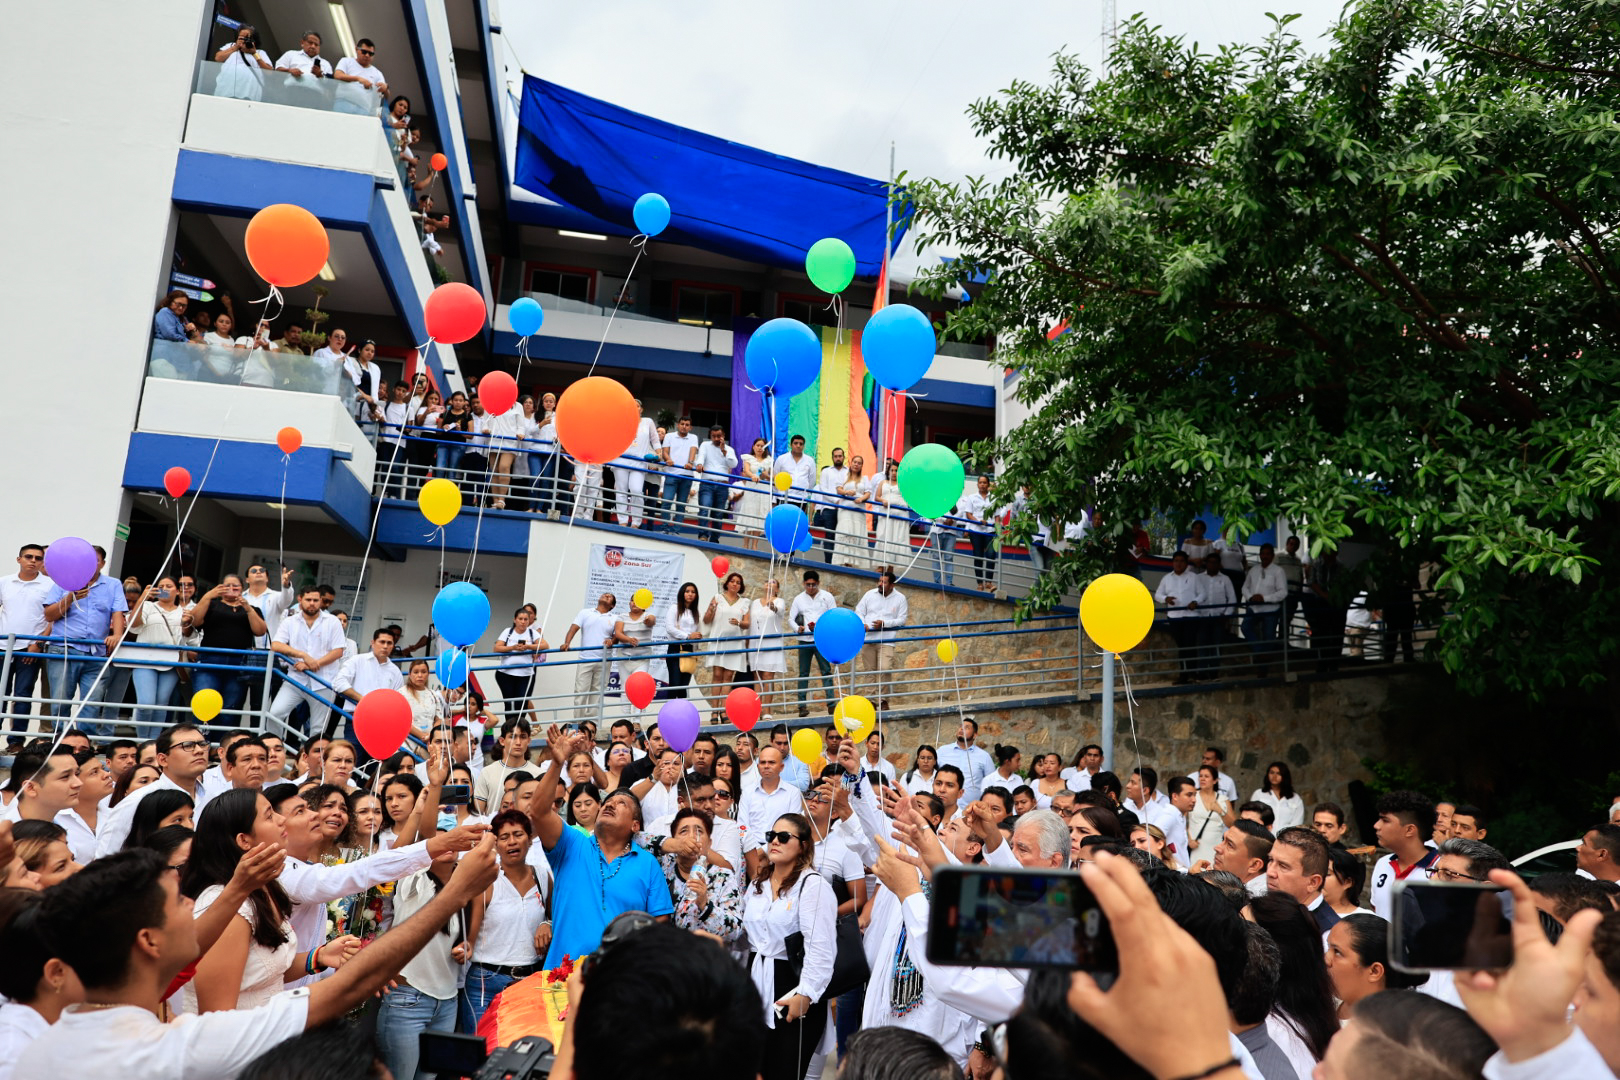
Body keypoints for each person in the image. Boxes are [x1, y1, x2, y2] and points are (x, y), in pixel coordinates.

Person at [527, 727, 673, 968]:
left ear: (635, 825)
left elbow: (660, 922)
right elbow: (539, 811)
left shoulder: (647, 863)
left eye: (622, 803)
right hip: (562, 979)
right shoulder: (572, 844)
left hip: (620, 980)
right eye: (608, 801)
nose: (611, 804)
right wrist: (557, 762)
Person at [742, 811, 836, 1080]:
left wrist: (805, 994)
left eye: (784, 837)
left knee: (783, 1070)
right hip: (755, 983)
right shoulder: (758, 884)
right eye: (771, 836)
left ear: (803, 845)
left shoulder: (812, 885)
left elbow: (821, 948)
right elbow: (744, 937)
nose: (775, 842)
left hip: (791, 985)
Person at [460, 810, 548, 1031]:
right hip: (485, 982)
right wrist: (464, 948)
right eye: (504, 837)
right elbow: (470, 937)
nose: (512, 842)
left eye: (518, 834)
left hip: (529, 981)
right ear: (495, 844)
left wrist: (548, 924)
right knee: (481, 1056)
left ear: (530, 839)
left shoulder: (543, 876)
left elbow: (554, 916)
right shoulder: (486, 879)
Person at [1369, 789, 1440, 916]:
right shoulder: (1382, 864)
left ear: (1409, 830)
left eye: (1385, 820)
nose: (1376, 825)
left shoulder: (1442, 870)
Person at [855, 569, 907, 709]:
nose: (880, 584)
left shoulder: (900, 598)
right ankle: (871, 701)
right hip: (869, 638)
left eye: (884, 582)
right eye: (879, 581)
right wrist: (862, 623)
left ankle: (883, 699)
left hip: (887, 639)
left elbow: (902, 620)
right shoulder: (869, 595)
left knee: (884, 668)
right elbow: (859, 611)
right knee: (870, 670)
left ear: (892, 585)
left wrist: (885, 624)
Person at [563, 593, 620, 720]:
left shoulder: (615, 617)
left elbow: (617, 634)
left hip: (604, 660)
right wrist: (567, 642)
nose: (606, 595)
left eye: (609, 597)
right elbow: (573, 628)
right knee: (581, 692)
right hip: (585, 658)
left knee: (598, 693)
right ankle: (578, 724)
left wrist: (612, 640)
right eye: (604, 594)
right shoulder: (585, 612)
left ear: (612, 605)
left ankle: (591, 725)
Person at [789, 570, 838, 717]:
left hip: (822, 639)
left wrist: (821, 626)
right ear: (804, 584)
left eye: (813, 585)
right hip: (804, 640)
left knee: (826, 671)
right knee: (803, 673)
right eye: (808, 585)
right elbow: (791, 619)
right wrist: (798, 628)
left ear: (818, 583)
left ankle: (831, 704)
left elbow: (833, 615)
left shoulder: (827, 597)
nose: (810, 587)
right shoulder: (798, 599)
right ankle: (802, 706)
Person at [1153, 550, 1206, 683]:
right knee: (1181, 646)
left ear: (1186, 563)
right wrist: (1166, 599)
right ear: (1173, 562)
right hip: (1175, 616)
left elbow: (1203, 594)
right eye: (1176, 561)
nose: (1179, 563)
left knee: (1190, 645)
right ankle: (1184, 675)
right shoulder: (1167, 578)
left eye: (1182, 561)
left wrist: (1195, 602)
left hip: (1191, 616)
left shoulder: (1194, 577)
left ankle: (1193, 674)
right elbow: (1157, 595)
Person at [704, 573, 751, 711]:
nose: (735, 584)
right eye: (732, 581)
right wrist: (712, 609)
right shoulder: (717, 598)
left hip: (735, 642)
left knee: (728, 676)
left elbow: (747, 624)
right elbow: (707, 620)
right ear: (727, 583)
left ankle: (724, 710)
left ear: (741, 586)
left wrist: (739, 622)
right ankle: (714, 711)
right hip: (718, 640)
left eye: (738, 582)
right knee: (717, 674)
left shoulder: (745, 602)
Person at [493, 606, 547, 721]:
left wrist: (528, 646)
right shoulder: (508, 631)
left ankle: (518, 728)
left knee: (521, 703)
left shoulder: (532, 633)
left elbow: (545, 645)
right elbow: (496, 648)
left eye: (525, 619)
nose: (523, 622)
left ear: (529, 620)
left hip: (525, 675)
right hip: (505, 673)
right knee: (509, 703)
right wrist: (512, 647)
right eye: (520, 619)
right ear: (515, 620)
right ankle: (510, 730)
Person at [1241, 543, 1288, 670]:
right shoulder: (1254, 569)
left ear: (1272, 556)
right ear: (1260, 555)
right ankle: (1260, 652)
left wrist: (1264, 598)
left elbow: (1283, 592)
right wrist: (1251, 597)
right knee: (1245, 627)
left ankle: (1263, 669)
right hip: (1254, 608)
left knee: (1269, 636)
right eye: (1263, 553)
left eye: (1268, 554)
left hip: (1270, 609)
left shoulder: (1278, 571)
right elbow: (1245, 587)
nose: (1265, 556)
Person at [745, 579, 788, 719]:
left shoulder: (779, 601)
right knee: (757, 677)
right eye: (767, 581)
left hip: (771, 642)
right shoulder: (755, 603)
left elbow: (780, 612)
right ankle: (757, 709)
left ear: (777, 588)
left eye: (773, 582)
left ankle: (767, 710)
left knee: (768, 676)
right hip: (756, 643)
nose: (769, 584)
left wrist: (773, 607)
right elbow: (751, 624)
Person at [936, 717, 994, 806]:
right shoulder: (942, 751)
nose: (961, 729)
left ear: (975, 735)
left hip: (971, 811)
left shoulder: (984, 756)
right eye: (960, 727)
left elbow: (991, 784)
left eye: (966, 728)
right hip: (942, 808)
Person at [695, 425, 739, 542]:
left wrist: (724, 451)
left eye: (718, 436)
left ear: (723, 436)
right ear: (710, 436)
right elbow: (701, 457)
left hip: (722, 485)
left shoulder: (729, 449)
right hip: (707, 483)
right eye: (713, 436)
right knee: (704, 509)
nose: (715, 438)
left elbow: (733, 464)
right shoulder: (705, 445)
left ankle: (714, 539)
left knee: (718, 514)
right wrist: (699, 464)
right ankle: (703, 536)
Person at [662, 582, 704, 699]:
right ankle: (669, 715)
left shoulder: (696, 612)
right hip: (675, 648)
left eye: (693, 592)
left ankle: (682, 715)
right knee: (674, 684)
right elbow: (670, 628)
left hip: (689, 649)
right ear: (682, 593)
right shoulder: (674, 608)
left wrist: (697, 636)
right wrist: (688, 636)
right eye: (687, 591)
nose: (690, 594)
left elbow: (698, 631)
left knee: (683, 686)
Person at [213, 25, 273, 100]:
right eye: (241, 38)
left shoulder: (260, 52)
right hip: (226, 91)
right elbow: (218, 58)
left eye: (247, 38)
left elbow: (269, 72)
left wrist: (254, 53)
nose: (244, 41)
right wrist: (235, 47)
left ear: (253, 40)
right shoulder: (230, 46)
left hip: (249, 94)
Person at [830, 454, 870, 567]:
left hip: (859, 511)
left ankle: (854, 562)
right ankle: (844, 561)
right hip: (845, 511)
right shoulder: (843, 476)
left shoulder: (864, 478)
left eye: (859, 463)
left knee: (856, 533)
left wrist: (861, 498)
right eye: (855, 462)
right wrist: (846, 492)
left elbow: (868, 493)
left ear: (862, 466)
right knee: (845, 532)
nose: (856, 465)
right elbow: (838, 490)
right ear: (851, 463)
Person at [959, 475, 997, 590]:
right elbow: (968, 514)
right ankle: (980, 583)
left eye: (985, 482)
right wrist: (979, 522)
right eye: (980, 482)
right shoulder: (971, 497)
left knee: (991, 555)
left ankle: (989, 582)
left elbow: (998, 514)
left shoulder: (994, 498)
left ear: (988, 484)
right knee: (978, 556)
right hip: (975, 530)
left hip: (990, 530)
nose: (982, 484)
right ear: (977, 484)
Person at [333, 37, 389, 114]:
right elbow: (337, 75)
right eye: (364, 52)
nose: (367, 55)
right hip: (343, 103)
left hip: (363, 109)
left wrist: (385, 88)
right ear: (356, 49)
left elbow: (386, 95)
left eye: (370, 53)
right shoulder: (346, 61)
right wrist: (358, 79)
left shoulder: (377, 73)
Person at [736, 438, 774, 549]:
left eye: (762, 446)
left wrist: (764, 475)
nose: (760, 448)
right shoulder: (748, 458)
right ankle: (746, 544)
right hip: (752, 487)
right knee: (749, 513)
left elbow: (772, 476)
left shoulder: (769, 460)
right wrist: (753, 475)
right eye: (758, 445)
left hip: (764, 488)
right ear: (753, 446)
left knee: (759, 514)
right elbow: (746, 471)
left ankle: (755, 545)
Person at [1250, 762, 1304, 831]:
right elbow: (1252, 816)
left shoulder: (1295, 798)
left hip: (1285, 838)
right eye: (1272, 773)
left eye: (1278, 773)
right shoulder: (1259, 794)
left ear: (1285, 776)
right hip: (1263, 837)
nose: (1274, 776)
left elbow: (1297, 823)